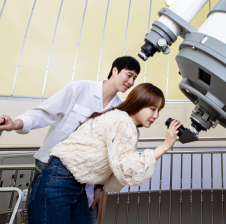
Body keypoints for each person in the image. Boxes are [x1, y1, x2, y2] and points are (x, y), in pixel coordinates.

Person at [0, 56, 141, 222]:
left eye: (134, 78)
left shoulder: (119, 109)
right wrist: (16, 123)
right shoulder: (80, 88)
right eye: (129, 75)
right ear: (115, 70)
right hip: (52, 169)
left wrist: (98, 188)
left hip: (84, 182)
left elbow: (106, 151)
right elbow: (44, 112)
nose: (131, 82)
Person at [27, 83, 180, 224]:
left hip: (73, 183)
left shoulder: (122, 120)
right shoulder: (122, 121)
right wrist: (165, 146)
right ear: (139, 103)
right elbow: (128, 170)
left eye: (159, 111)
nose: (156, 116)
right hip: (59, 180)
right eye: (153, 109)